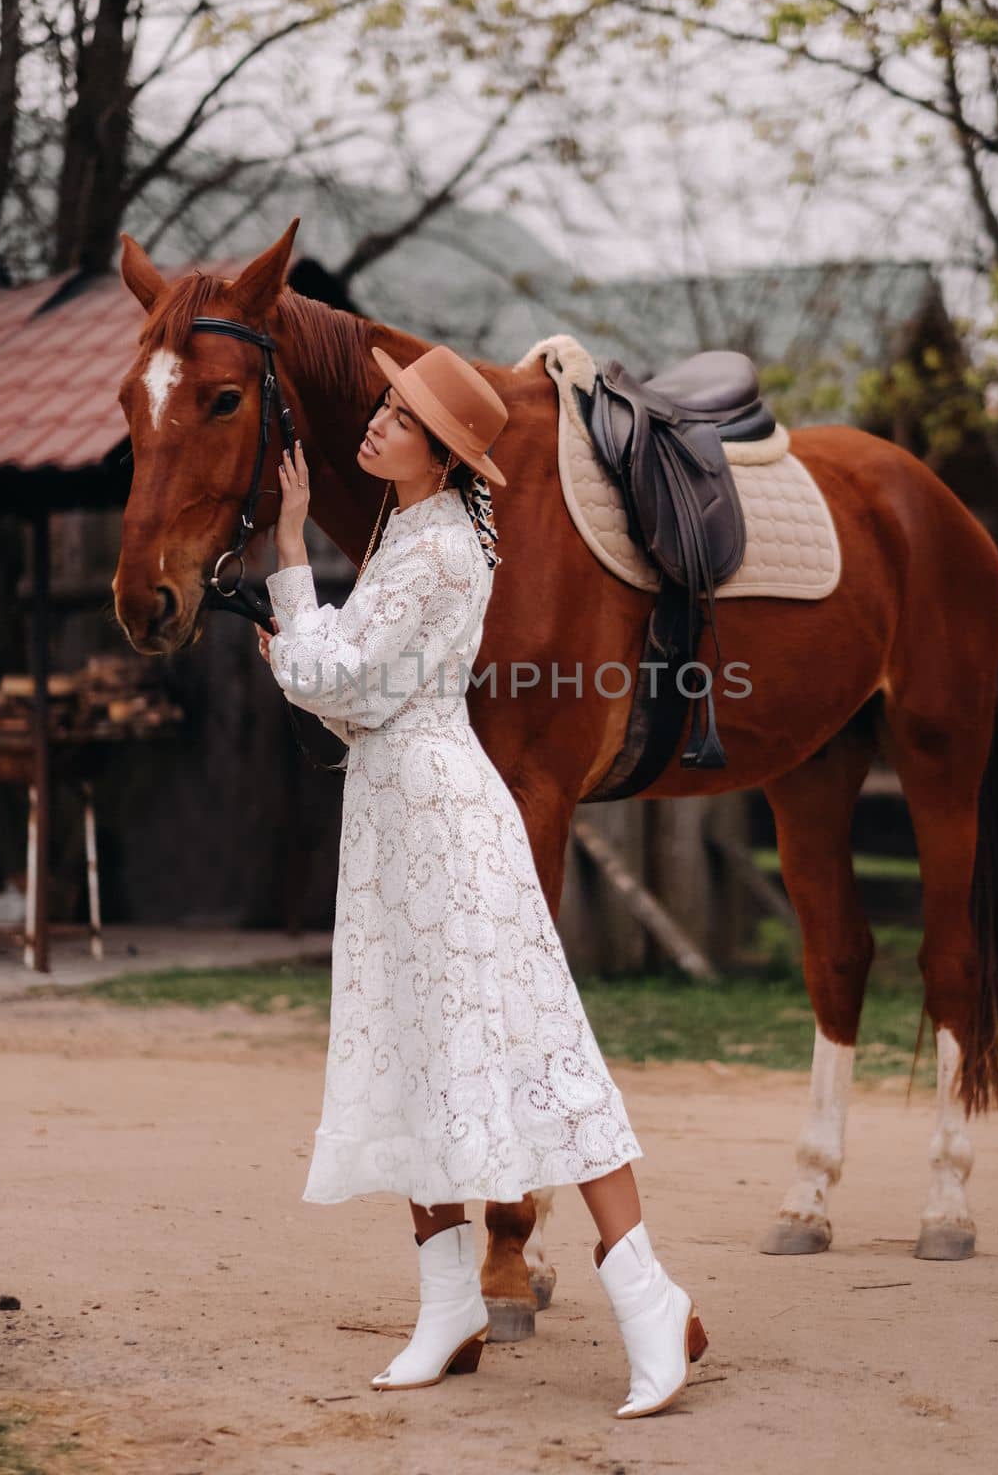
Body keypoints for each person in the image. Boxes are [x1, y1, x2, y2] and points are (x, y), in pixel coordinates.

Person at [255, 342, 707, 1418]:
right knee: (410, 1045)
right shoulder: (405, 532)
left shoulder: (437, 549)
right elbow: (344, 693)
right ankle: (448, 1305)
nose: (375, 420)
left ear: (441, 452)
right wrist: (305, 629)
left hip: (447, 830)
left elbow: (337, 679)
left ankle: (650, 1299)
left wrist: (288, 623)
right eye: (382, 405)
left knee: (538, 1043)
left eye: (398, 415)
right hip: (394, 822)